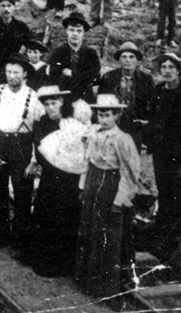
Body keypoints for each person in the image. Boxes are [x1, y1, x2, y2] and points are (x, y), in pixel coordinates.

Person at [75, 94, 142, 299]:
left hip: (111, 186)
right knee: (90, 230)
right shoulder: (94, 133)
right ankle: (86, 281)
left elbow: (131, 172)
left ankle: (106, 287)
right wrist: (83, 186)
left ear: (117, 115)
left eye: (108, 116)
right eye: (100, 115)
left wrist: (120, 200)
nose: (103, 120)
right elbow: (87, 160)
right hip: (94, 182)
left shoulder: (123, 139)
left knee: (108, 235)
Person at [0, 52, 44, 252]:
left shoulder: (33, 97)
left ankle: (20, 241)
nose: (11, 76)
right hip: (0, 143)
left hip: (22, 146)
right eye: (8, 71)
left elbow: (38, 132)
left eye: (16, 72)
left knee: (22, 194)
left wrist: (34, 159)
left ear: (25, 73)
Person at [25, 85, 82, 277]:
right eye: (47, 104)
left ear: (62, 103)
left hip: (69, 178)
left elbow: (79, 152)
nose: (50, 107)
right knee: (47, 216)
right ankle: (44, 262)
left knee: (66, 217)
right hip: (50, 177)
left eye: (54, 103)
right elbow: (40, 149)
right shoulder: (41, 123)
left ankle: (65, 264)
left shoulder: (72, 123)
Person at [145, 52, 181, 256]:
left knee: (178, 196)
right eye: (163, 67)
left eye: (171, 67)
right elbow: (152, 117)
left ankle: (173, 240)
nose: (166, 71)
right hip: (161, 151)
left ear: (179, 70)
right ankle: (160, 235)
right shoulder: (157, 90)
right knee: (163, 193)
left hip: (179, 153)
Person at [96, 41, 154, 146]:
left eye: (132, 57)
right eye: (124, 57)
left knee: (132, 159)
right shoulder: (109, 77)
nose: (128, 60)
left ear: (137, 61)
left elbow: (153, 103)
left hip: (136, 126)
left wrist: (146, 122)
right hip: (114, 125)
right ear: (119, 60)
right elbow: (100, 101)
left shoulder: (146, 79)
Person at [46, 12, 101, 105]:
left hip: (86, 99)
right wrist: (83, 75)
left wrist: (71, 73)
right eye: (72, 30)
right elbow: (54, 76)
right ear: (67, 31)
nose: (75, 34)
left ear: (83, 33)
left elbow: (94, 75)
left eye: (79, 31)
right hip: (63, 99)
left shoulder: (91, 53)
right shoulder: (58, 52)